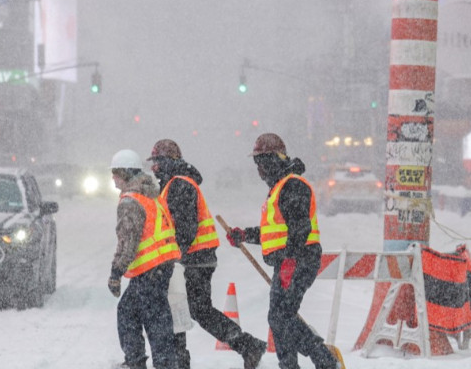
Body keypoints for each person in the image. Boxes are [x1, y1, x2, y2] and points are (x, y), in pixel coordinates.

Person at [149, 139, 268, 369]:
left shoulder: (179, 185)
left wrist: (172, 257)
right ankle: (245, 345)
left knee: (183, 307)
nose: (154, 168)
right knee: (194, 309)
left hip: (192, 259)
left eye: (157, 162)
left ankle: (181, 360)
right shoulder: (175, 183)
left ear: (168, 162)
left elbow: (185, 228)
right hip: (196, 258)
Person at [225, 133, 338, 369]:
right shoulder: (279, 187)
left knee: (282, 317)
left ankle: (322, 360)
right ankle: (307, 362)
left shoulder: (292, 185)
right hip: (289, 260)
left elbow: (300, 228)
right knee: (280, 318)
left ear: (275, 160)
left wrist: (290, 262)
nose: (259, 169)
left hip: (299, 260)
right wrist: (245, 235)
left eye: (262, 162)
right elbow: (275, 233)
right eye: (256, 163)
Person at [108, 149, 180, 369]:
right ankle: (156, 362)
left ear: (125, 173)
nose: (113, 178)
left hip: (150, 268)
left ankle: (139, 362)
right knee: (151, 315)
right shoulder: (150, 195)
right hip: (161, 265)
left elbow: (127, 242)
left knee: (137, 314)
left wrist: (116, 273)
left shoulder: (130, 202)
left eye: (116, 173)